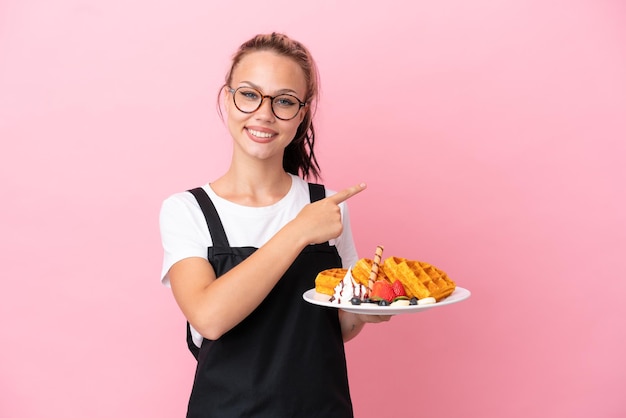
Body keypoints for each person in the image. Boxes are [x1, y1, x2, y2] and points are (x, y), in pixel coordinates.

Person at [159, 32, 390, 417]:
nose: (264, 114)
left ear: (301, 114)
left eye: (284, 101)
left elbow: (339, 328)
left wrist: (366, 310)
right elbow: (209, 318)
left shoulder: (327, 207)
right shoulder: (188, 210)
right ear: (227, 99)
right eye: (249, 94)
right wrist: (299, 231)